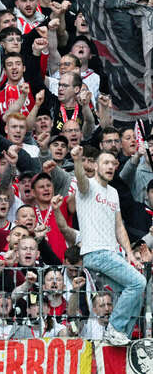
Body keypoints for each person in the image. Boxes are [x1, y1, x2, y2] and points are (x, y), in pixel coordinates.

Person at [72, 145, 145, 345]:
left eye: (113, 163)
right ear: (95, 166)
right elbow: (79, 179)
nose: (110, 166)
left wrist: (129, 254)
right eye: (106, 163)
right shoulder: (87, 186)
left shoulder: (113, 192)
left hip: (112, 254)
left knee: (134, 294)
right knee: (138, 283)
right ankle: (115, 329)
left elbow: (119, 226)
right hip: (97, 252)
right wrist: (78, 160)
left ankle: (121, 337)